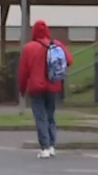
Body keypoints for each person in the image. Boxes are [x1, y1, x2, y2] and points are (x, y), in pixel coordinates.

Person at [18, 20, 73, 159]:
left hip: (36, 88)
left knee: (40, 118)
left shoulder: (29, 48)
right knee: (50, 116)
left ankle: (45, 147)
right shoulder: (56, 45)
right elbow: (70, 60)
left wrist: (22, 89)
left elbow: (23, 72)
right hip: (54, 86)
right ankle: (52, 145)